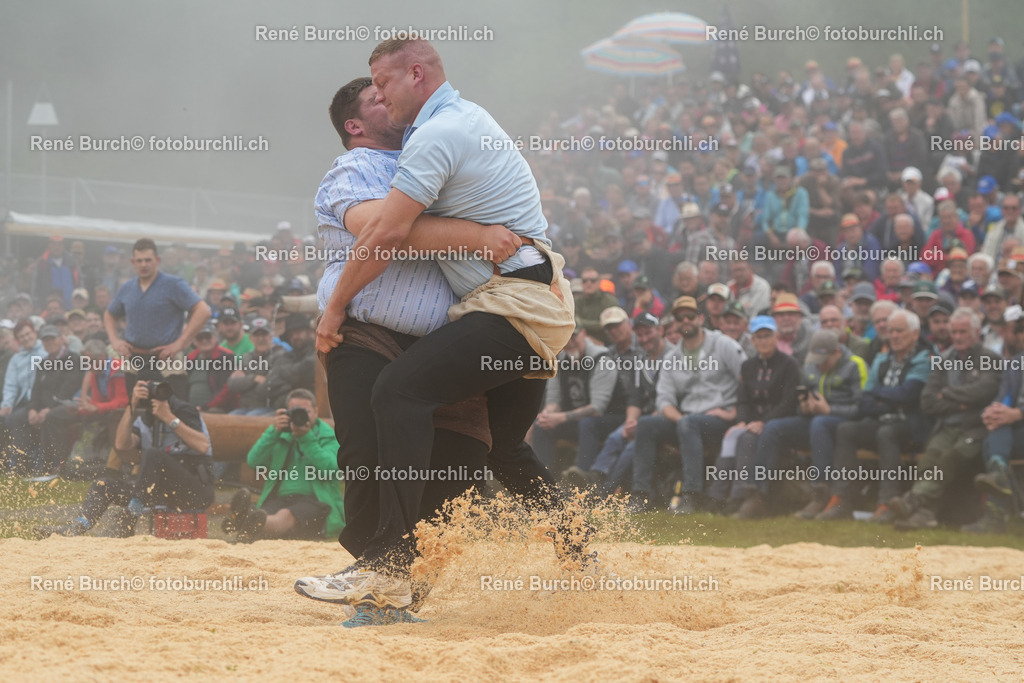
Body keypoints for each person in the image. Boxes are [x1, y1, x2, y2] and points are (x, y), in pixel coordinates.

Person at [312, 40, 580, 614]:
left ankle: (386, 564)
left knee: (401, 394)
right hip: (522, 303)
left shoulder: (434, 136)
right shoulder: (437, 131)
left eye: (384, 85)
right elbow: (379, 226)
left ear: (415, 74)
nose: (381, 97)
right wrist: (480, 236)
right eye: (372, 94)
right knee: (502, 447)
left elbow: (385, 234)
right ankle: (581, 552)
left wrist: (332, 309)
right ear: (355, 126)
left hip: (513, 305)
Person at [35, 369, 214, 538]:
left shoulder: (184, 411)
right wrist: (132, 405)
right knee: (103, 484)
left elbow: (203, 446)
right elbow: (122, 445)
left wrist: (168, 417)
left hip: (194, 492)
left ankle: (128, 520)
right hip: (157, 493)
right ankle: (77, 527)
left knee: (152, 454)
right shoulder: (146, 419)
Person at [889, 307, 1001, 529]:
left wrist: (947, 393)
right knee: (930, 458)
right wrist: (961, 402)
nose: (958, 337)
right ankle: (925, 514)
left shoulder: (990, 358)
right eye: (955, 332)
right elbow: (928, 401)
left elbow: (984, 391)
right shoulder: (944, 359)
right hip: (946, 427)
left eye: (963, 332)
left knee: (951, 457)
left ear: (976, 332)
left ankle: (915, 501)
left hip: (975, 429)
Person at [631, 296, 745, 514]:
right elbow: (664, 400)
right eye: (679, 317)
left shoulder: (723, 344)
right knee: (645, 424)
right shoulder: (672, 357)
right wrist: (679, 418)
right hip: (688, 421)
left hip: (720, 420)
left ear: (701, 318)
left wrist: (735, 413)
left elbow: (746, 378)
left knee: (688, 424)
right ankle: (641, 495)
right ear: (674, 322)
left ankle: (691, 495)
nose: (685, 321)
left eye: (690, 316)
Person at [734, 329, 864, 519]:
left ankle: (820, 493)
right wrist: (804, 407)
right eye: (816, 362)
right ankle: (756, 494)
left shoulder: (854, 366)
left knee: (819, 423)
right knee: (773, 427)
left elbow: (862, 408)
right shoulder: (810, 366)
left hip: (843, 422)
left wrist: (829, 410)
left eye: (824, 361)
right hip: (813, 421)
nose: (820, 367)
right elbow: (798, 401)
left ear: (837, 352)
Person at [822, 310, 932, 521]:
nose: (894, 336)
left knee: (886, 433)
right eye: (891, 331)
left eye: (900, 331)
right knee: (846, 430)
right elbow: (865, 399)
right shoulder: (882, 358)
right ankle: (841, 499)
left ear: (915, 333)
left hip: (911, 424)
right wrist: (889, 402)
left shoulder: (926, 357)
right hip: (882, 419)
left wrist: (880, 397)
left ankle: (886, 502)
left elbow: (909, 394)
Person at [224, 389, 345, 541]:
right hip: (279, 498)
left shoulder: (327, 435)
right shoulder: (279, 433)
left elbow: (332, 469)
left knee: (285, 516)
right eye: (294, 411)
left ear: (315, 412)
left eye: (305, 411)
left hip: (316, 501)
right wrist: (272, 432)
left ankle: (242, 520)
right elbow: (253, 461)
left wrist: (306, 439)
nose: (299, 416)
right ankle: (248, 521)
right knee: (265, 514)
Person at [709, 316, 801, 514]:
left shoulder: (789, 365)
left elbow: (789, 402)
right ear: (753, 341)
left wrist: (762, 422)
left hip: (778, 422)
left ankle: (738, 497)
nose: (763, 341)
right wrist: (742, 421)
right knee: (732, 435)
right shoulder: (748, 366)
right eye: (759, 337)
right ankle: (716, 497)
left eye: (767, 336)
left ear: (776, 337)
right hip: (752, 422)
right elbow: (743, 400)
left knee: (747, 439)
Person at [105, 238, 212, 399]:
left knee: (174, 414)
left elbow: (203, 310)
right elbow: (109, 314)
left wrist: (180, 343)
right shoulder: (127, 288)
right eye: (139, 261)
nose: (144, 265)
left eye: (148, 260)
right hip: (135, 359)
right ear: (133, 262)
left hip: (167, 360)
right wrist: (114, 340)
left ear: (158, 260)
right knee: (137, 414)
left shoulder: (173, 284)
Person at [963, 305, 1024, 533]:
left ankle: (995, 515)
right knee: (995, 432)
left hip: (1019, 423)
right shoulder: (1016, 363)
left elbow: (1014, 410)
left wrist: (1017, 413)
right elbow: (1004, 397)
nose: (1004, 337)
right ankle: (998, 476)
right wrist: (992, 413)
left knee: (995, 439)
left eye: (1008, 331)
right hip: (1016, 430)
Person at [530, 324, 617, 470]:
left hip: (608, 419)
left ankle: (582, 477)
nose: (569, 341)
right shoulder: (559, 360)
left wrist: (560, 417)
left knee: (588, 423)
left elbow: (597, 408)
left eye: (573, 336)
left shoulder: (602, 359)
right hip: (577, 421)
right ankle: (542, 480)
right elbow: (553, 400)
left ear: (584, 334)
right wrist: (548, 414)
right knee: (541, 424)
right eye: (565, 337)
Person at [20, 325, 83, 474]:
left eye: (52, 339)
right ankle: (21, 464)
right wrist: (32, 410)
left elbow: (68, 389)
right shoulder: (43, 363)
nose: (49, 342)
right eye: (45, 340)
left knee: (51, 416)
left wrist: (49, 408)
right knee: (17, 417)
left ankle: (53, 464)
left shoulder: (73, 358)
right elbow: (35, 391)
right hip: (46, 408)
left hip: (70, 405)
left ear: (61, 339)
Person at [1, 319, 45, 474]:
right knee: (5, 418)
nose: (26, 338)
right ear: (17, 340)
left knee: (16, 419)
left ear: (34, 333)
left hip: (42, 400)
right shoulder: (16, 359)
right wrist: (6, 404)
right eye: (21, 336)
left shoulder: (45, 352)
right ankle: (5, 463)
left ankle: (22, 465)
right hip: (24, 401)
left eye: (28, 334)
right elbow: (10, 385)